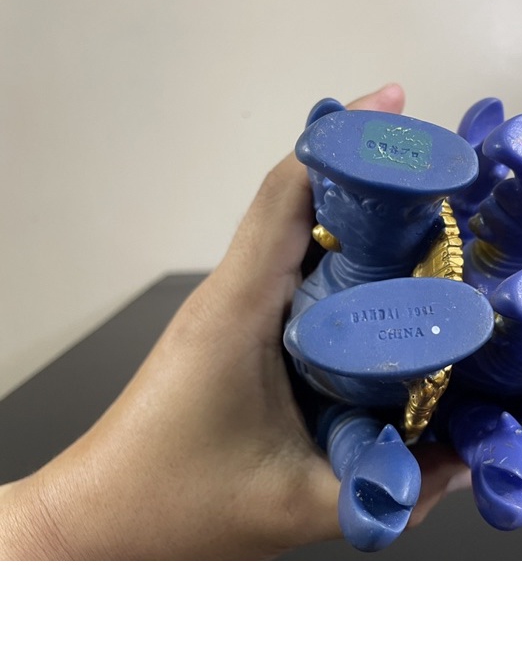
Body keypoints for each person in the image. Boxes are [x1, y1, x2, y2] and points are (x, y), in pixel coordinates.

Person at [0, 84, 470, 560]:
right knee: (346, 420)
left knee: (350, 417)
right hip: (341, 382)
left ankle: (372, 450)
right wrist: (47, 534)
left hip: (359, 357)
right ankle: (371, 451)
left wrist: (50, 532)